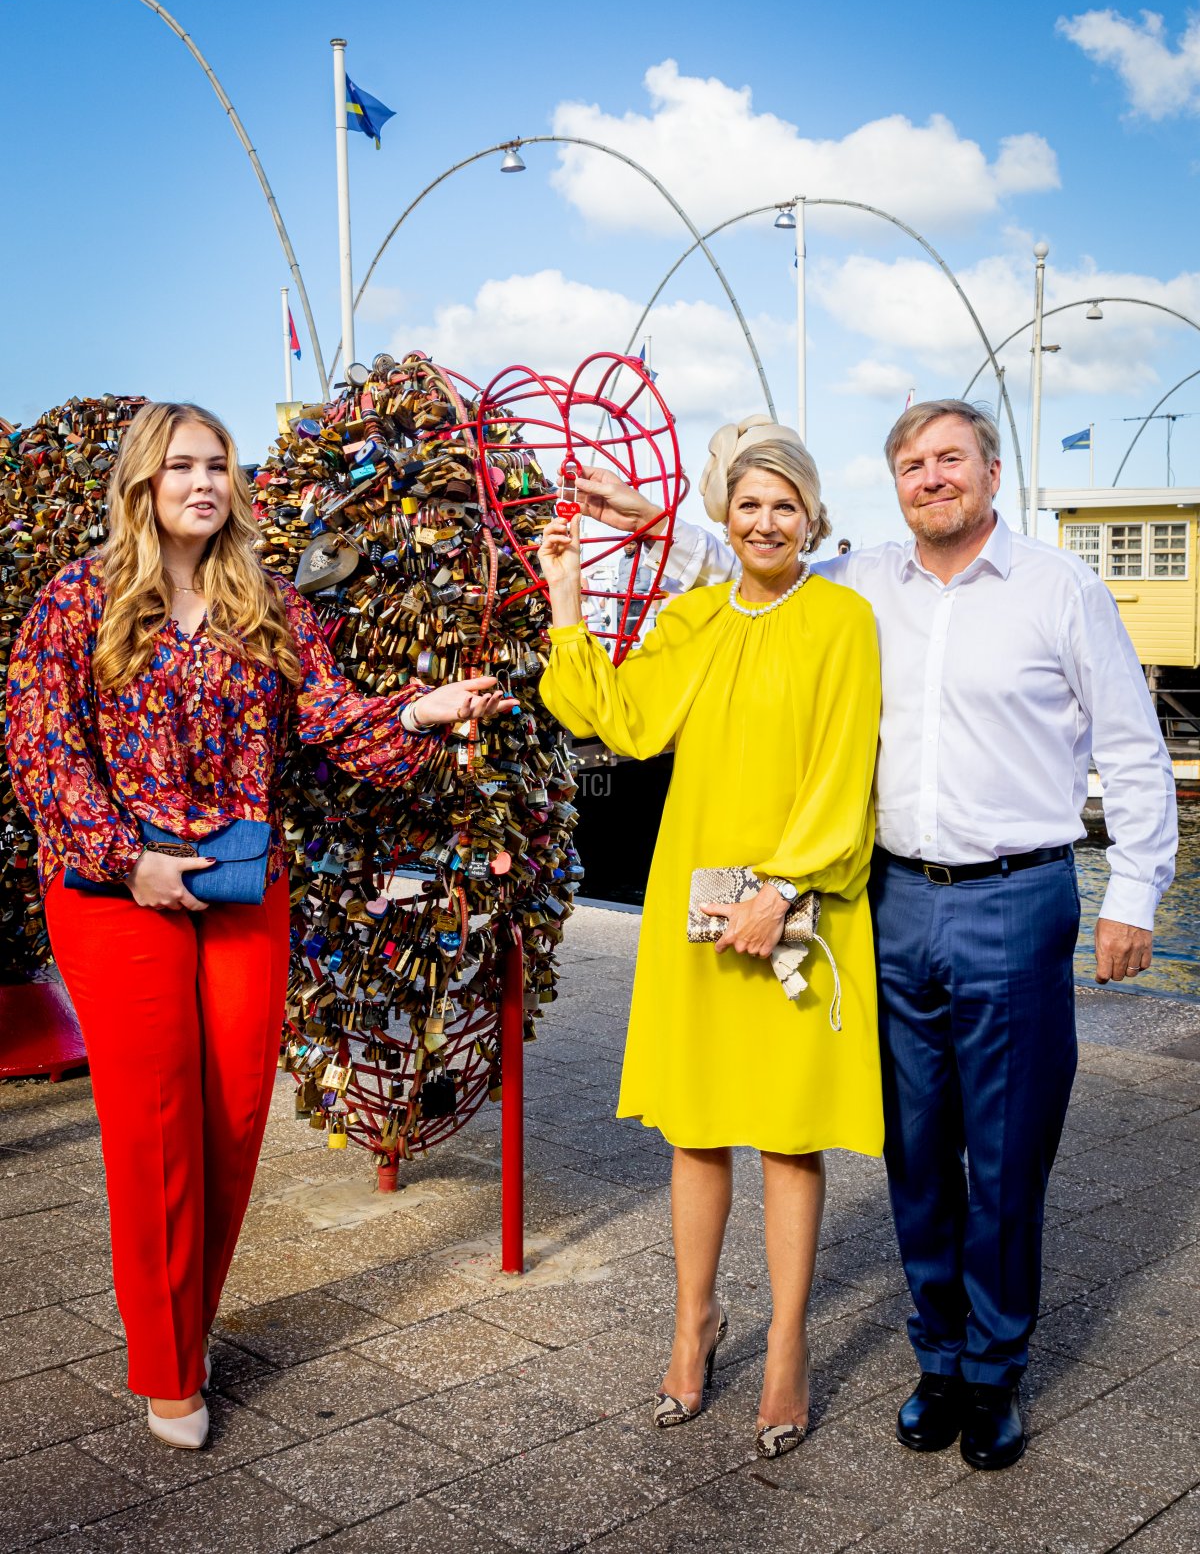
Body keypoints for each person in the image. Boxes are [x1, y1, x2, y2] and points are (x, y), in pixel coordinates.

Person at [573, 401, 1176, 1470]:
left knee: (1005, 1151)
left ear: (993, 469)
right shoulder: (866, 581)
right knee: (916, 1152)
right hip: (894, 899)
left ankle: (993, 1373)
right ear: (892, 484)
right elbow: (750, 559)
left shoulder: (1058, 589)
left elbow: (1130, 747)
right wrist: (641, 521)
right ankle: (935, 1355)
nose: (933, 479)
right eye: (913, 464)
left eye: (951, 460)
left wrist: (1134, 889)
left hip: (1011, 891)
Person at [4, 401, 514, 1451]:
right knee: (155, 1126)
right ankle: (167, 1366)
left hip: (239, 883)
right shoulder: (74, 601)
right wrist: (125, 860)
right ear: (143, 482)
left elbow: (333, 725)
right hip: (114, 891)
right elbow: (39, 748)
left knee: (233, 1119)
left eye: (220, 465)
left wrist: (420, 711)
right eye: (183, 465)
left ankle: (186, 1322)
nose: (205, 482)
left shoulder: (268, 602)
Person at [537, 427, 882, 1460]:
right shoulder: (692, 615)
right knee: (695, 1127)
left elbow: (843, 773)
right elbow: (624, 721)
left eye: (786, 505)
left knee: (785, 1131)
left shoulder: (844, 619)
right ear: (724, 519)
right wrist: (563, 598)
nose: (767, 522)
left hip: (799, 904)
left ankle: (786, 1347)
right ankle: (693, 1325)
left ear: (812, 518)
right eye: (749, 505)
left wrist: (781, 889)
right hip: (696, 907)